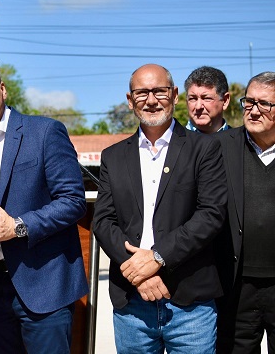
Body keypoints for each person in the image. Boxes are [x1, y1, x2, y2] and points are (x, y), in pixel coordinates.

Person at [0, 57, 88, 354]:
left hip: (43, 285)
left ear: (2, 89)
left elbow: (73, 201)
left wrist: (17, 226)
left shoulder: (45, 132)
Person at [92, 64, 227, 353]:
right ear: (130, 100)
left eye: (159, 91)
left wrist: (158, 257)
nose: (151, 100)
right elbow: (103, 221)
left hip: (190, 305)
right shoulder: (112, 157)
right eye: (142, 93)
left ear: (175, 95)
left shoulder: (204, 149)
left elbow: (211, 214)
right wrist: (138, 273)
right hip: (132, 305)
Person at [215, 72, 275, 353]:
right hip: (235, 284)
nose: (253, 110)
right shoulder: (220, 148)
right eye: (248, 101)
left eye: (264, 104)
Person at [185, 66, 231, 133]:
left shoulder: (240, 141)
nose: (198, 106)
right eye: (193, 99)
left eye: (207, 98)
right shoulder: (170, 141)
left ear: (225, 101)